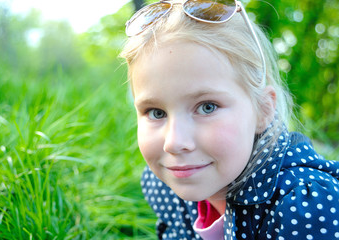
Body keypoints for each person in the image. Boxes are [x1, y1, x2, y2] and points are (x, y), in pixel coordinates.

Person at [120, 0, 339, 239]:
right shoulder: (168, 188)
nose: (173, 142)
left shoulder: (302, 206)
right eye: (156, 112)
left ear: (263, 110)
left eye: (207, 107)